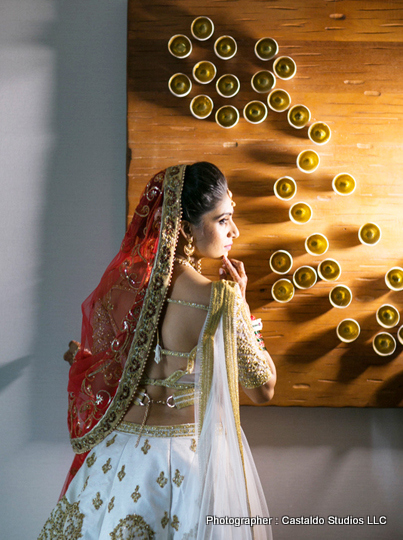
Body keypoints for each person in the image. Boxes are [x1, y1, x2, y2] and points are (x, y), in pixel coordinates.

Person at [38, 162, 276, 540]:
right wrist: (243, 309)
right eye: (223, 220)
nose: (235, 231)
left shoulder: (123, 292)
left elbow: (104, 363)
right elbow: (262, 389)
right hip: (189, 464)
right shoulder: (219, 300)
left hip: (120, 458)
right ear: (185, 228)